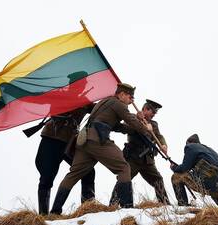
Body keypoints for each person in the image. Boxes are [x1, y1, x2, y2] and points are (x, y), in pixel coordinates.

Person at [50, 83, 152, 214]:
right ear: (121, 94)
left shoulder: (104, 102)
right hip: (97, 140)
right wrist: (145, 128)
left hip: (84, 142)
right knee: (124, 168)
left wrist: (135, 126)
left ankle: (55, 211)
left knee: (73, 174)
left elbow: (117, 127)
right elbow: (131, 121)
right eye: (130, 96)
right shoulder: (118, 104)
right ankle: (128, 209)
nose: (132, 100)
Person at [36, 71, 96, 215]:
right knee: (46, 177)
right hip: (52, 139)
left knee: (87, 170)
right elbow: (36, 98)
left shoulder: (85, 100)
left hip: (69, 143)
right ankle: (43, 217)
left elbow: (101, 110)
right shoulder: (58, 94)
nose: (85, 85)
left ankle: (89, 211)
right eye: (84, 82)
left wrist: (115, 100)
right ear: (76, 83)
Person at [110, 99, 170, 205]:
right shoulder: (133, 117)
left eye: (155, 113)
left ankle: (165, 204)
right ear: (145, 109)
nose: (154, 115)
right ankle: (113, 205)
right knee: (124, 180)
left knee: (158, 180)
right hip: (133, 158)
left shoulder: (154, 124)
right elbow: (125, 128)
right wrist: (138, 120)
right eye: (153, 112)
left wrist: (163, 145)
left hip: (148, 160)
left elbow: (159, 136)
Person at [170, 134, 218, 207]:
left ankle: (183, 205)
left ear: (189, 142)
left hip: (211, 181)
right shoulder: (210, 150)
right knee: (215, 192)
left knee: (176, 177)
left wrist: (175, 168)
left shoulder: (190, 147)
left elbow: (185, 167)